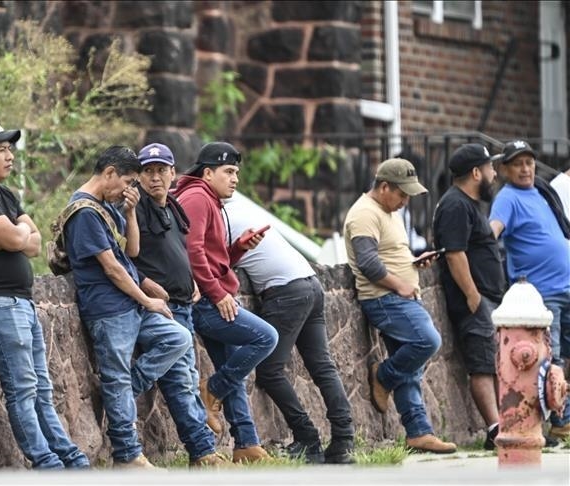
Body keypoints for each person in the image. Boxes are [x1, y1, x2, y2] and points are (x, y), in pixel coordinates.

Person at [0, 119, 89, 469]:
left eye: (10, 149)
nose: (10, 156)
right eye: (1, 149)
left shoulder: (5, 195)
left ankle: (70, 459)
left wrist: (12, 239)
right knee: (22, 390)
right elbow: (18, 238)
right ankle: (46, 463)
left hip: (21, 303)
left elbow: (37, 244)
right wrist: (13, 238)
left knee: (41, 390)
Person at [63, 145, 191, 468]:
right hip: (108, 309)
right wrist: (147, 299)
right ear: (109, 173)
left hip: (129, 304)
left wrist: (131, 213)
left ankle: (124, 390)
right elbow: (112, 268)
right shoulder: (83, 212)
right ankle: (128, 455)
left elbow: (131, 251)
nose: (129, 189)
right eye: (128, 181)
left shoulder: (105, 206)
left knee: (178, 338)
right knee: (116, 376)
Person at [225, 197, 355, 464]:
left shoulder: (218, 217)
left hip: (286, 291)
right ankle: (344, 441)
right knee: (323, 367)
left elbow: (215, 261)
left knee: (269, 371)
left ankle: (307, 438)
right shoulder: (242, 209)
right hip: (311, 283)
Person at [171, 142, 279, 464]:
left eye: (236, 173)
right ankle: (212, 389)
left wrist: (240, 247)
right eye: (228, 172)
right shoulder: (197, 198)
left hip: (212, 297)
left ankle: (246, 444)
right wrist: (218, 294)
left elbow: (215, 261)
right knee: (266, 337)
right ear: (208, 173)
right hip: (206, 303)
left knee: (234, 372)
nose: (235, 179)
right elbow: (192, 253)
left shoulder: (210, 200)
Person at [343, 157, 457, 454]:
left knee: (411, 368)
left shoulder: (388, 210)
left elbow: (388, 253)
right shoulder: (364, 214)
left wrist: (413, 263)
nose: (406, 201)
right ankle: (382, 376)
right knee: (427, 341)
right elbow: (368, 263)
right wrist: (400, 285)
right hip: (384, 299)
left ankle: (418, 432)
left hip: (397, 296)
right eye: (402, 194)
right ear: (384, 187)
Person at [131, 143, 225, 468]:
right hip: (161, 309)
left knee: (188, 378)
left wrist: (192, 280)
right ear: (139, 176)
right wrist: (145, 283)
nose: (155, 177)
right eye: (148, 171)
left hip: (185, 305)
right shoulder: (135, 208)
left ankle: (203, 452)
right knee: (181, 382)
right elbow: (122, 256)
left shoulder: (173, 206)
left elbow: (180, 250)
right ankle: (203, 453)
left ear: (173, 173)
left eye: (161, 170)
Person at [489, 140, 570, 441]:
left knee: (564, 357)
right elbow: (492, 231)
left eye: (529, 162)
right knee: (552, 359)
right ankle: (561, 422)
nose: (525, 169)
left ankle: (565, 413)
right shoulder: (507, 198)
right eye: (518, 164)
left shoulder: (541, 191)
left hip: (566, 286)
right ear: (505, 169)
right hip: (543, 293)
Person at [432, 144, 504, 450]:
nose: (494, 174)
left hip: (489, 298)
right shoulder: (455, 206)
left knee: (495, 362)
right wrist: (473, 296)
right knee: (483, 363)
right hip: (476, 301)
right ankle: (496, 430)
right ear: (476, 172)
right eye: (490, 168)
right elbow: (455, 254)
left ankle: (505, 425)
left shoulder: (470, 204)